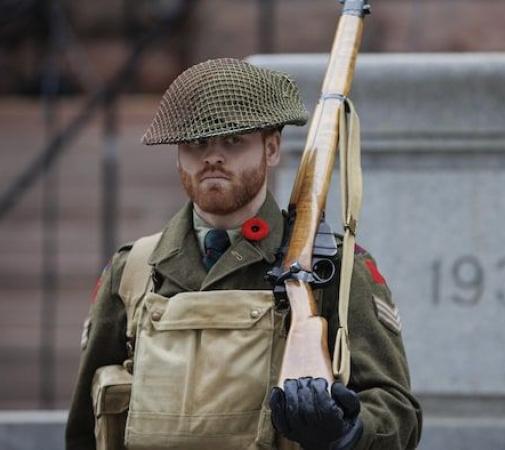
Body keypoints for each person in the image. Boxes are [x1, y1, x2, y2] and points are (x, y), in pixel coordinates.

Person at [66, 58, 421, 450]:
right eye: (197, 142)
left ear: (271, 148)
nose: (213, 156)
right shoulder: (132, 270)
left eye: (233, 140)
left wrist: (348, 431)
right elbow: (85, 423)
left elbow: (397, 412)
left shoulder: (330, 268)